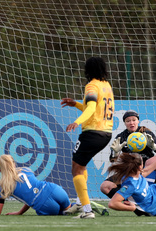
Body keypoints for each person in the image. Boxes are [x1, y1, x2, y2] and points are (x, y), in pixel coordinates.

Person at [61, 57, 114, 219]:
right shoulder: (106, 86)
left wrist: (76, 122)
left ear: (88, 70)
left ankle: (87, 210)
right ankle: (80, 203)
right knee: (81, 167)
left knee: (76, 169)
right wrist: (76, 104)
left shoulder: (91, 86)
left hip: (92, 132)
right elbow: (93, 107)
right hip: (106, 134)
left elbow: (91, 108)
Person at [99, 110, 156, 216]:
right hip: (130, 173)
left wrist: (154, 147)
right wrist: (115, 152)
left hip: (149, 171)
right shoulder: (121, 137)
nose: (131, 123)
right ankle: (138, 209)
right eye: (128, 121)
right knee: (105, 186)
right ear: (124, 123)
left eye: (134, 120)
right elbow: (113, 160)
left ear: (138, 121)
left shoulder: (146, 133)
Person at [0, 155, 72, 216]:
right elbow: (31, 191)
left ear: (0, 169)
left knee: (62, 214)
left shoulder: (3, 186)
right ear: (14, 164)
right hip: (55, 190)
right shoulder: (26, 170)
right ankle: (81, 205)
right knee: (71, 209)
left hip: (44, 205)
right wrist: (20, 212)